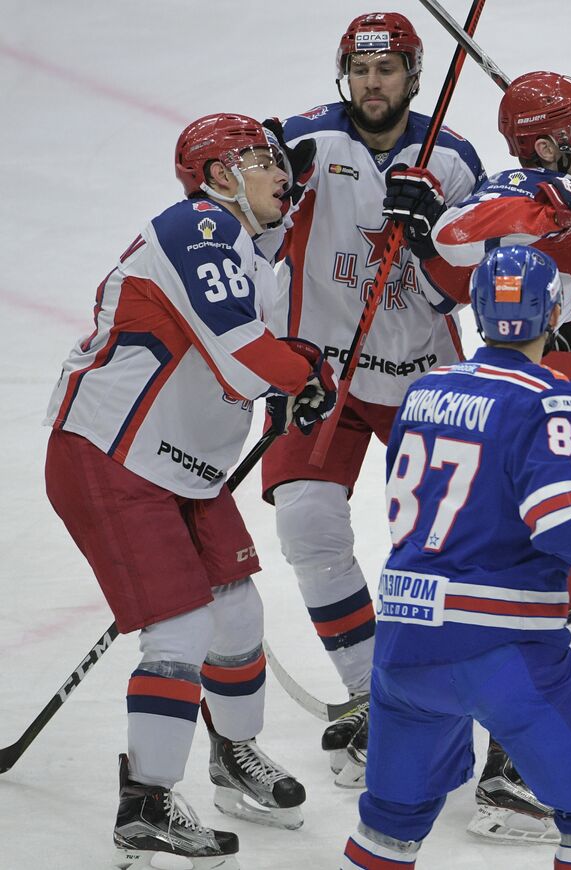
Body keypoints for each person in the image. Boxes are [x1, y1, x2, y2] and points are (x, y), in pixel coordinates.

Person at [43, 113, 337, 867]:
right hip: (113, 457)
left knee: (237, 616)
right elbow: (243, 358)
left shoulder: (249, 250)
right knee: (180, 632)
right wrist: (302, 377)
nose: (281, 173)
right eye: (261, 160)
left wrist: (296, 367)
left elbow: (259, 343)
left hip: (183, 467)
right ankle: (144, 803)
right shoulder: (198, 226)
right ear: (217, 176)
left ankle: (232, 760)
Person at [380, 69, 571, 842]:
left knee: (558, 586)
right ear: (546, 141)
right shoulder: (519, 193)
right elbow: (457, 232)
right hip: (555, 392)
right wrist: (569, 200)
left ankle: (513, 750)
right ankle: (519, 766)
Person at [338, 244, 571, 870]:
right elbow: (563, 518)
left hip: (405, 644)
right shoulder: (554, 397)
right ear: (553, 314)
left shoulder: (425, 391)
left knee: (390, 823)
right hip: (500, 649)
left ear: (479, 312)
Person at [260, 10, 486, 786]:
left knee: (433, 552)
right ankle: (370, 695)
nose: (371, 83)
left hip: (424, 380)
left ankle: (428, 693)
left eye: (386, 71)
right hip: (319, 376)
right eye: (359, 70)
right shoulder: (304, 144)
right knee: (306, 522)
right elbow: (251, 227)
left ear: (414, 76)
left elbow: (475, 292)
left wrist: (430, 236)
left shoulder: (451, 160)